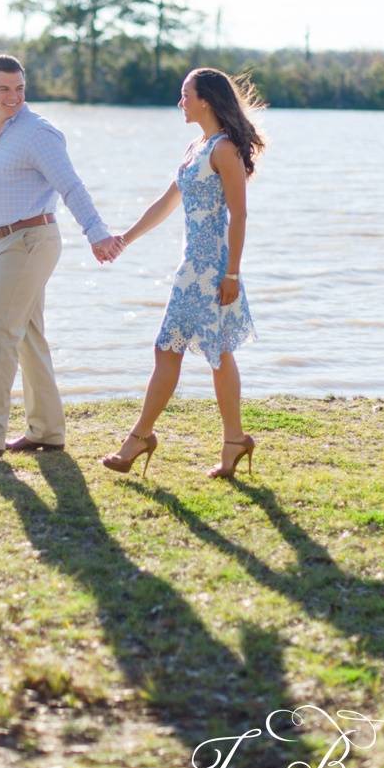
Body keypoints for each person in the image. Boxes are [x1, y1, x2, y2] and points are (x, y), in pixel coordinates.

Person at [0, 54, 122, 458]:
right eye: (4, 89)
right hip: (9, 242)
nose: (14, 97)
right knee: (26, 337)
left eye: (20, 88)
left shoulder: (38, 133)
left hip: (32, 240)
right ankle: (47, 431)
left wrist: (97, 234)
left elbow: (71, 186)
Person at [102, 67, 264, 479]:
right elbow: (167, 202)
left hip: (212, 269)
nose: (181, 102)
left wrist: (231, 275)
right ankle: (230, 440)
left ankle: (144, 438)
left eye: (185, 95)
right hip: (191, 266)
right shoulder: (197, 147)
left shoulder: (223, 149)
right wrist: (127, 237)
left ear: (205, 99)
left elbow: (240, 215)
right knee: (196, 350)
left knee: (194, 350)